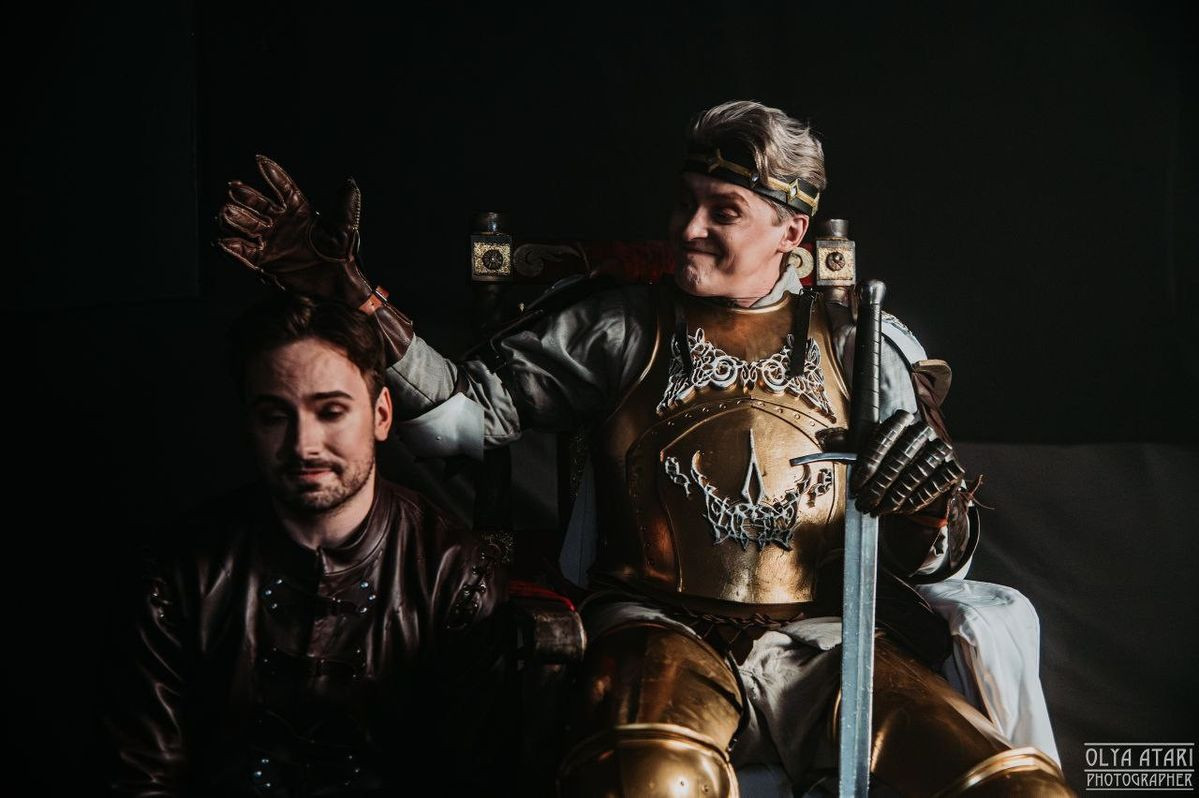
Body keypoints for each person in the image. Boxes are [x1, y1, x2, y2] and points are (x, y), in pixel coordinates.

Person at [217, 100, 1070, 795]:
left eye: (722, 211)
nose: (687, 228)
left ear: (790, 233)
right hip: (656, 627)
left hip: (825, 643)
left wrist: (926, 514)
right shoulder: (620, 325)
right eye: (685, 201)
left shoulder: (862, 346)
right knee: (646, 779)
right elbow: (457, 422)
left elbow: (940, 559)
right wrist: (357, 301)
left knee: (1013, 787)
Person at [105, 295, 510, 796]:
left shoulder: (458, 576)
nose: (304, 445)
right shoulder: (177, 573)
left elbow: (475, 780)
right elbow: (141, 779)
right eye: (275, 416)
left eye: (331, 411)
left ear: (382, 415)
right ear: (249, 425)